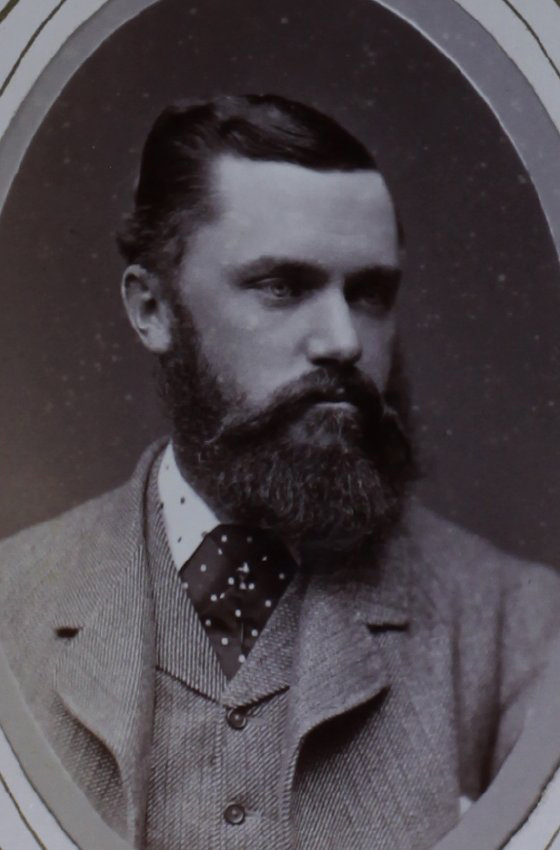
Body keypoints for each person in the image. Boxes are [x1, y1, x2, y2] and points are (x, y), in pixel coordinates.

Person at [1, 94, 559, 850]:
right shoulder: (14, 606)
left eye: (369, 294)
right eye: (283, 287)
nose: (343, 341)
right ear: (152, 308)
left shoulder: (517, 629)